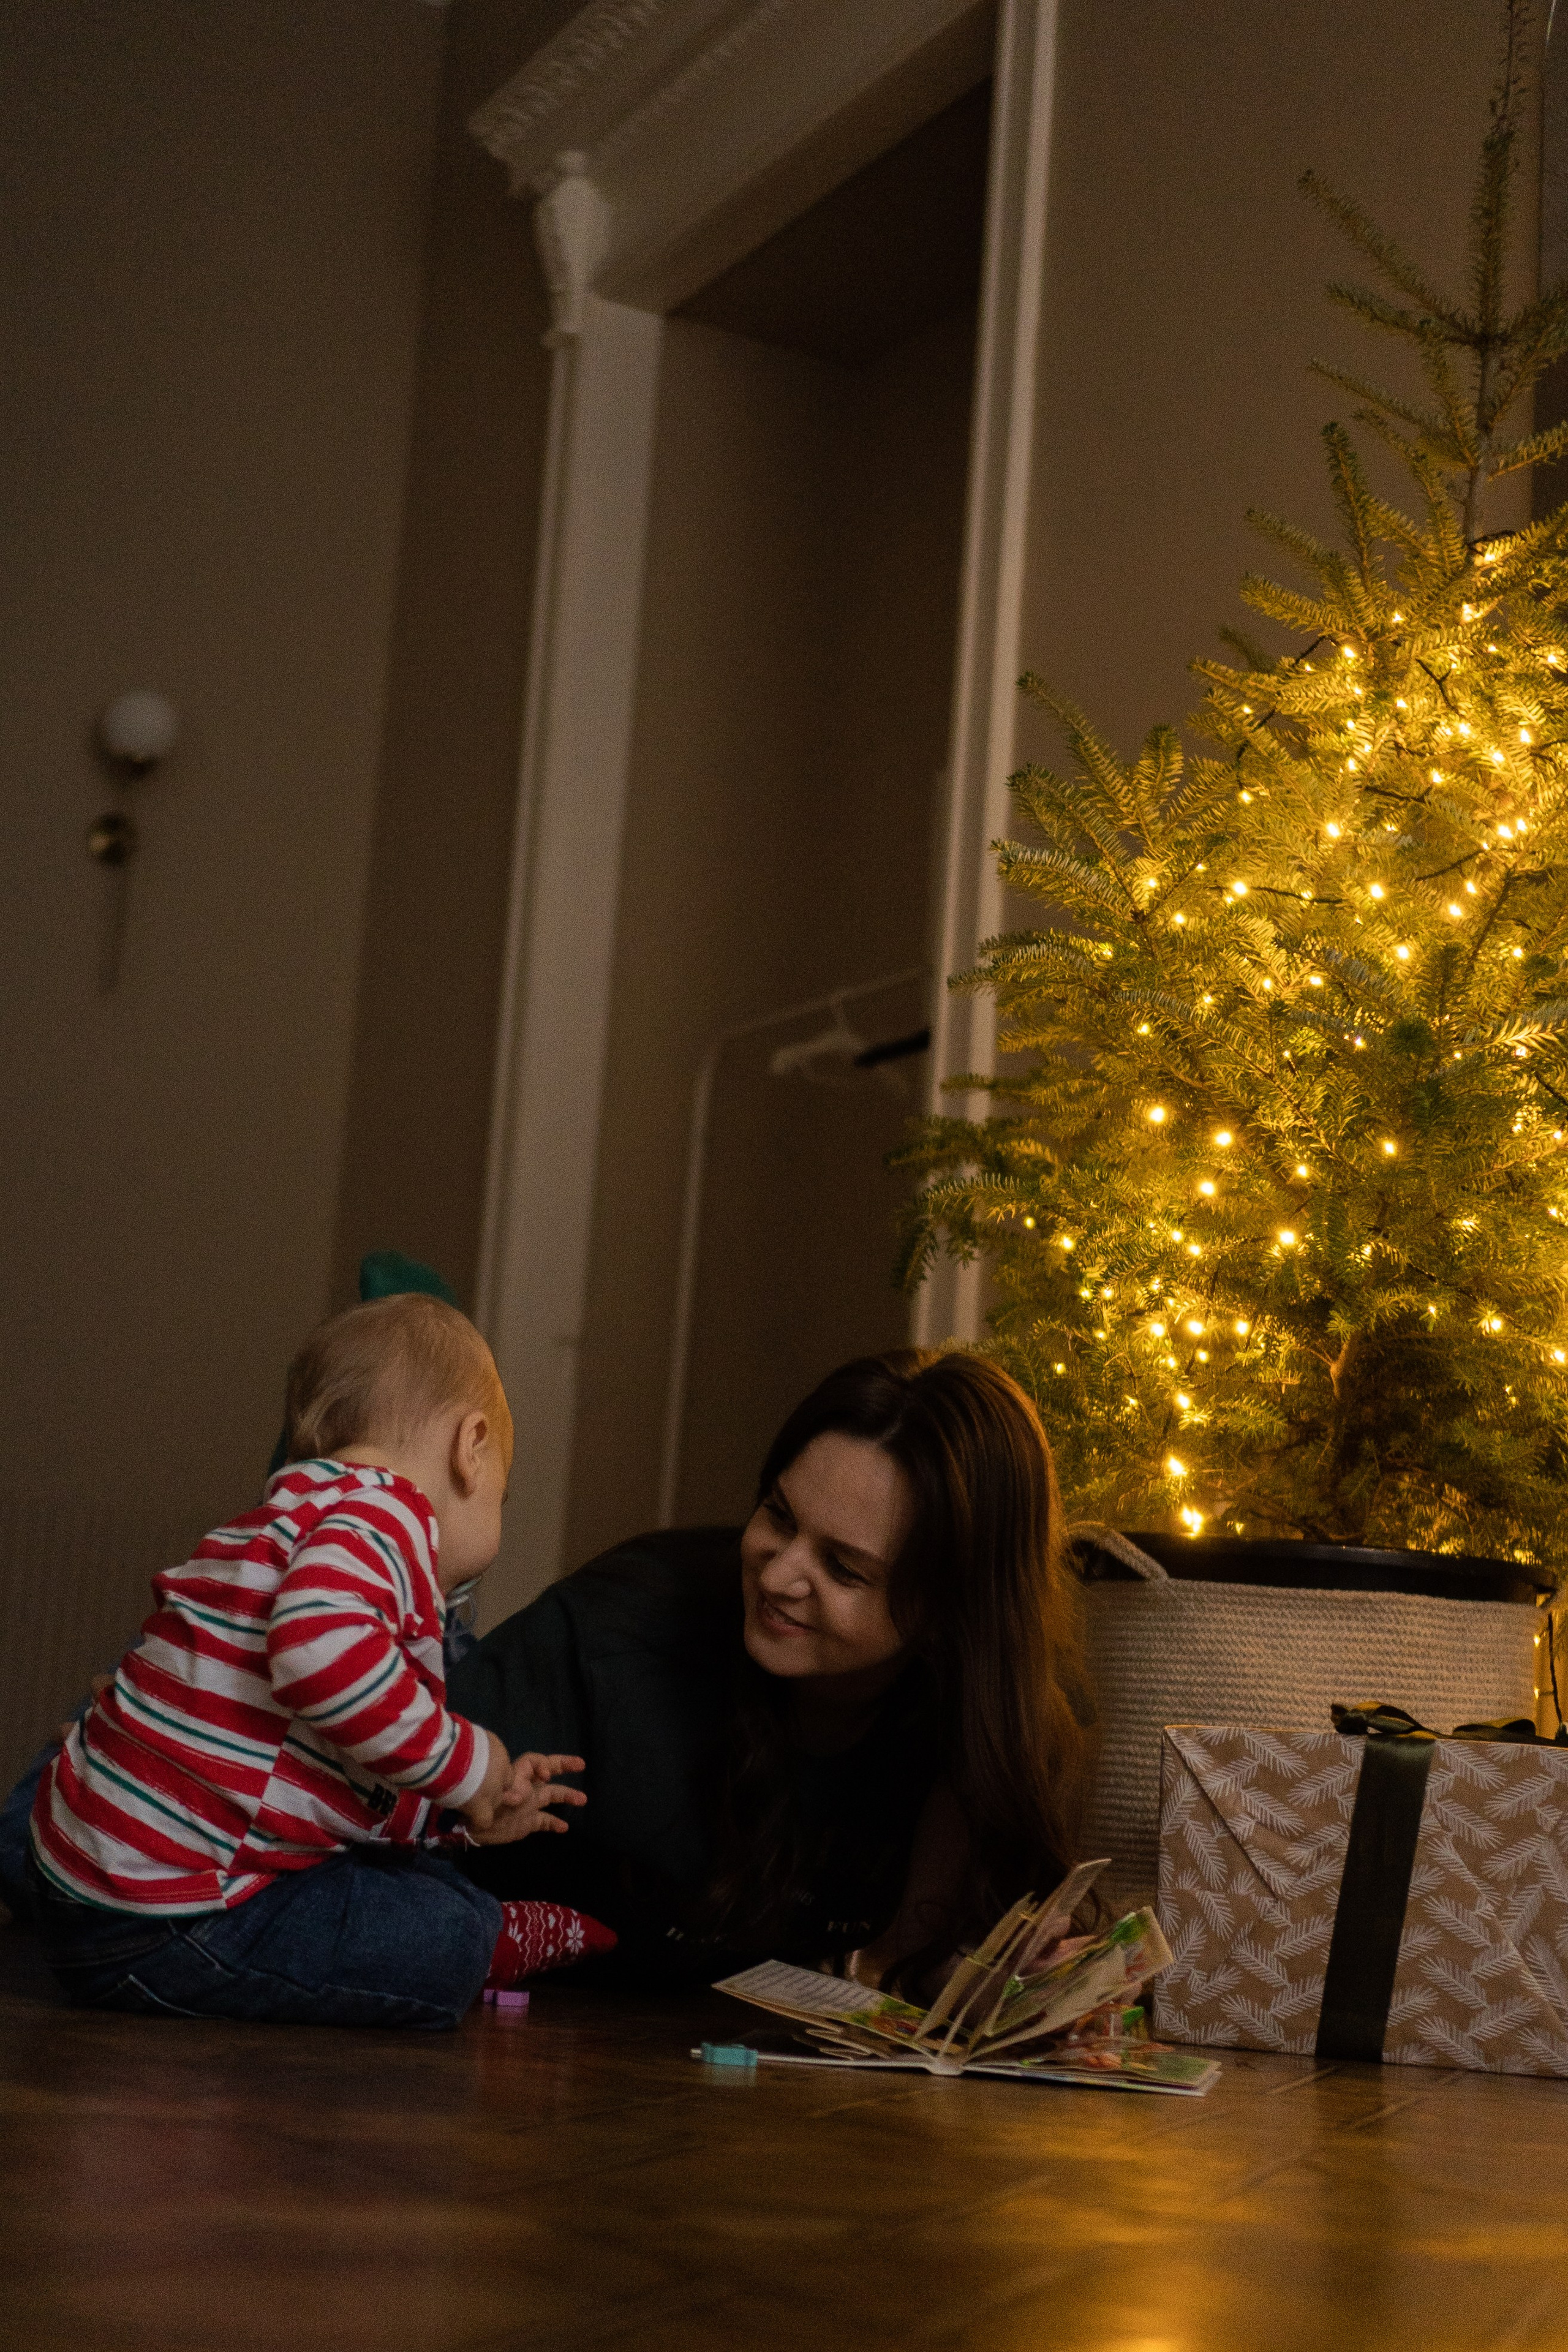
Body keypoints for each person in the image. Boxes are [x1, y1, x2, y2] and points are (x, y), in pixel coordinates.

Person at [26, 1294, 611, 2027]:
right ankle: (483, 1942)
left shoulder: (282, 1521)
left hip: (88, 1889)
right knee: (441, 1934)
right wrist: (473, 1763)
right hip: (168, 1920)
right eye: (504, 1491)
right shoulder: (388, 1514)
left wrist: (461, 1811)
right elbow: (316, 1659)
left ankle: (480, 1923)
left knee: (409, 1877)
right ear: (472, 1448)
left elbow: (324, 1776)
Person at [451, 1349, 1095, 1991]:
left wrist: (985, 1985)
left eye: (844, 1568)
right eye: (779, 1516)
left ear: (949, 1611)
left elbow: (914, 1966)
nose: (777, 1575)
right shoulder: (613, 1637)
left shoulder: (984, 1716)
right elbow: (400, 1815)